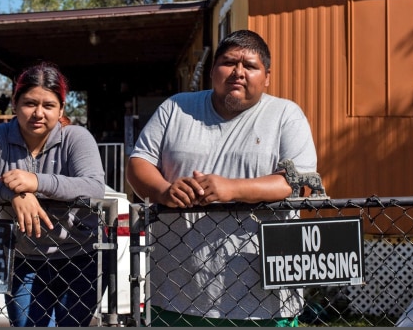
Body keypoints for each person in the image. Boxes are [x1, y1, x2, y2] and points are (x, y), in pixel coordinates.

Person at [126, 29, 317, 327]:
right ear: (212, 71)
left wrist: (230, 188)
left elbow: (295, 183)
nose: (238, 72)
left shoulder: (286, 115)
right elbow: (138, 163)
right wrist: (164, 190)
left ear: (266, 76)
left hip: (264, 299)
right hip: (175, 291)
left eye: (250, 66)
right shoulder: (176, 108)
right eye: (228, 63)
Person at [0, 62, 105, 327]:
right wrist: (14, 192)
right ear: (14, 103)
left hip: (81, 256)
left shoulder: (76, 138)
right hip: (23, 260)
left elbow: (94, 186)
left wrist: (36, 182)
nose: (38, 113)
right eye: (29, 103)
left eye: (49, 105)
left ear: (61, 108)